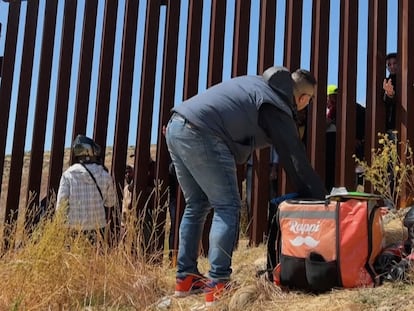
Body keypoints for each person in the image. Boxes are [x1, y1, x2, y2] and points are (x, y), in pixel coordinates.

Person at [165, 66, 326, 306]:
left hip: (176, 127)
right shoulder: (275, 104)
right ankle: (219, 282)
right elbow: (295, 158)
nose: (307, 105)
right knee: (227, 206)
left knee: (197, 204)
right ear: (302, 98)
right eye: (309, 101)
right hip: (203, 132)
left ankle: (186, 279)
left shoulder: (257, 85)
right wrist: (319, 198)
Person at [56, 135, 117, 246]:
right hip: (98, 228)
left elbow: (61, 206)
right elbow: (110, 202)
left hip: (74, 229)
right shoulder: (105, 175)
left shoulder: (68, 175)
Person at [383, 52, 398, 135]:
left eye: (395, 63)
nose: (392, 66)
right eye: (389, 64)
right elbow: (386, 100)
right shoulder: (387, 81)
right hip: (392, 125)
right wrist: (389, 94)